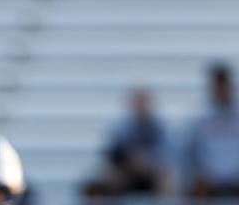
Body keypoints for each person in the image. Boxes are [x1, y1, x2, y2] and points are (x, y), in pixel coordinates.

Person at [183, 63, 239, 197]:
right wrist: (199, 174)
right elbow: (189, 154)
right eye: (218, 87)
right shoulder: (200, 119)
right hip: (208, 181)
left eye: (224, 87)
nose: (222, 91)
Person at [102, 89, 172, 195]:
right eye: (138, 104)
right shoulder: (121, 126)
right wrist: (131, 160)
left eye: (143, 104)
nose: (141, 108)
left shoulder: (161, 126)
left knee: (167, 177)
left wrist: (147, 161)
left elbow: (167, 153)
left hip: (152, 170)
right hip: (127, 169)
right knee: (111, 176)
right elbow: (113, 152)